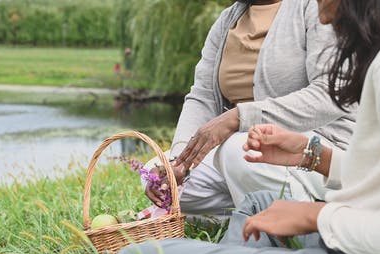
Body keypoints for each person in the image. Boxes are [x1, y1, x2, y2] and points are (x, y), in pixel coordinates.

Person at [110, 0, 380, 254]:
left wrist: (317, 215)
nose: (325, 17)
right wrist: (314, 156)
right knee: (258, 205)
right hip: (376, 246)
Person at [145, 0, 356, 216]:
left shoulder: (317, 7)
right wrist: (179, 161)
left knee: (240, 149)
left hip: (323, 147)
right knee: (155, 174)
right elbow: (203, 96)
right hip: (251, 151)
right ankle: (247, 209)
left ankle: (299, 224)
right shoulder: (227, 21)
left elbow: (331, 94)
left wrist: (240, 117)